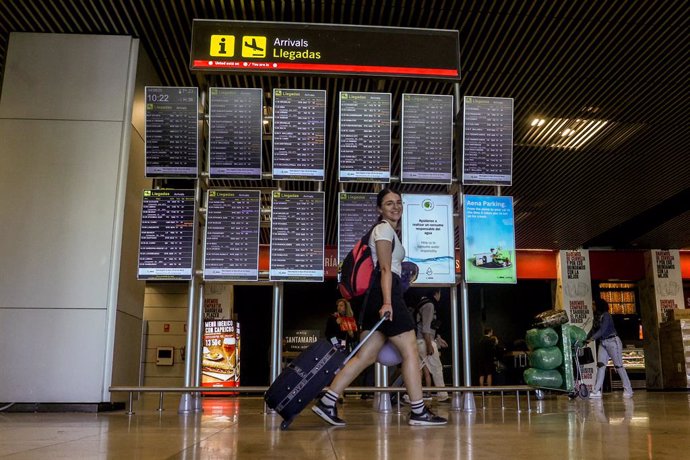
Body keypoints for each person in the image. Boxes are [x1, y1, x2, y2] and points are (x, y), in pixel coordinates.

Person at [312, 188, 446, 426]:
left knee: (367, 354)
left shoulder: (386, 231)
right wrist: (387, 302)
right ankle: (418, 411)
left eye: (398, 203)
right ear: (379, 209)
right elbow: (384, 269)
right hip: (387, 295)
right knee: (410, 351)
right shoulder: (383, 229)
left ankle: (327, 402)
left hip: (376, 297)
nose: (395, 207)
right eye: (388, 203)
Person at [585, 298, 633, 399]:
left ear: (599, 305)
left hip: (612, 341)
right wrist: (585, 339)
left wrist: (592, 339)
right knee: (601, 366)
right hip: (603, 342)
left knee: (618, 365)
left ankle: (628, 389)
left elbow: (603, 329)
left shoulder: (606, 316)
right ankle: (597, 390)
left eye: (594, 304)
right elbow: (593, 330)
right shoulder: (597, 317)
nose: (592, 306)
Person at [413, 288, 448, 402]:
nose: (440, 297)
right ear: (436, 293)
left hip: (417, 341)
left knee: (415, 371)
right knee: (437, 368)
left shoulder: (420, 303)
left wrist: (437, 339)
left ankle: (408, 395)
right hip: (424, 341)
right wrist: (430, 345)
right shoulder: (429, 305)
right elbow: (426, 328)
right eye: (440, 294)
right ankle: (442, 396)